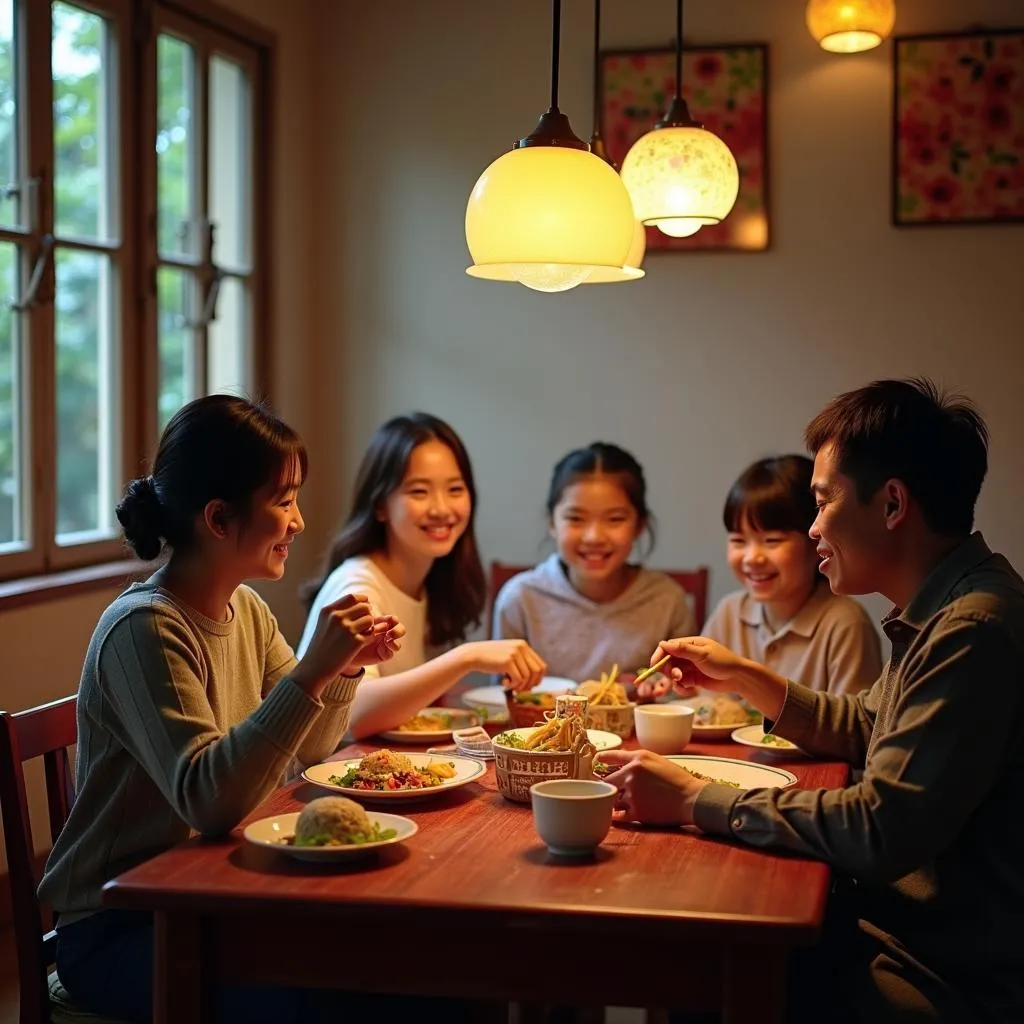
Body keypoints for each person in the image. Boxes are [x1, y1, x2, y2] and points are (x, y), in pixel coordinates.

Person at [603, 378, 1024, 1023]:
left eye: (824, 502)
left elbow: (882, 828)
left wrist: (695, 798)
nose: (813, 526)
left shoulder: (972, 629)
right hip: (904, 930)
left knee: (700, 957)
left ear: (892, 505)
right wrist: (745, 675)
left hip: (938, 967)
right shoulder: (944, 604)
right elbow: (865, 724)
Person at [38, 395, 405, 1024]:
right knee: (340, 999)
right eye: (285, 500)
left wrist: (341, 670)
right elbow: (207, 799)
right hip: (120, 924)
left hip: (206, 893)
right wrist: (313, 668)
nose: (300, 521)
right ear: (217, 517)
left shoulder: (247, 612)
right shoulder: (145, 629)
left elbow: (314, 750)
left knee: (403, 971)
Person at [299, 413, 546, 738]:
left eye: (455, 489)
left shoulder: (430, 579)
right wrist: (466, 657)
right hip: (328, 778)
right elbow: (352, 715)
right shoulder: (357, 587)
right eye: (419, 491)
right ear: (380, 505)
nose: (442, 509)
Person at [642, 455, 880, 698]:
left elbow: (854, 730)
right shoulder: (730, 612)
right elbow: (704, 704)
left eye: (772, 541)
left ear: (816, 541)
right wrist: (672, 685)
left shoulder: (844, 624)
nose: (752, 558)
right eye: (738, 541)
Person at [493, 442, 695, 682]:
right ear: (551, 523)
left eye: (615, 519)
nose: (594, 537)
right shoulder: (521, 599)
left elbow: (685, 693)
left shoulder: (667, 600)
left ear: (639, 525)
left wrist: (661, 687)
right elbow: (502, 696)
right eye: (576, 518)